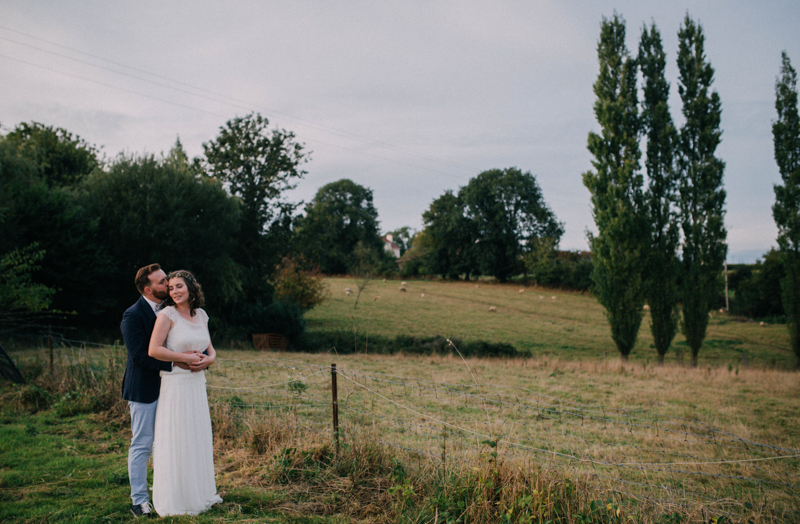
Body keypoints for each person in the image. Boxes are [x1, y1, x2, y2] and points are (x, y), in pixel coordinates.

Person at [148, 270, 222, 516]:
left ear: (191, 288)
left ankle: (198, 493)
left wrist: (208, 361)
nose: (174, 292)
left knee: (196, 436)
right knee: (178, 437)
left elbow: (210, 349)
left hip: (196, 384)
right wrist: (183, 358)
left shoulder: (201, 315)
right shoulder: (167, 315)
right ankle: (176, 499)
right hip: (176, 385)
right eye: (170, 288)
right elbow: (154, 350)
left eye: (179, 286)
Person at [120, 263, 172, 518]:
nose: (168, 283)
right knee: (142, 443)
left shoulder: (173, 310)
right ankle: (139, 500)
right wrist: (176, 363)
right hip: (143, 390)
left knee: (168, 442)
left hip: (173, 390)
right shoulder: (133, 315)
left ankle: (167, 491)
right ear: (148, 289)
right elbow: (139, 356)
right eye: (162, 282)